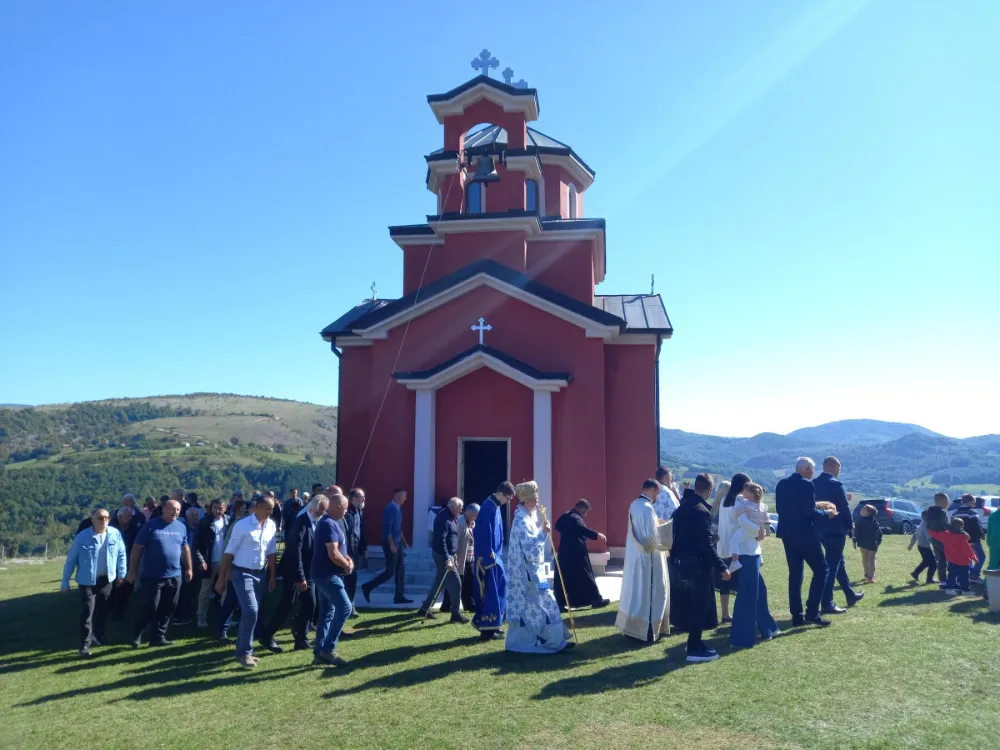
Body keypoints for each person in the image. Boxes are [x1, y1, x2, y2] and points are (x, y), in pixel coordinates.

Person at [505, 481, 572, 653]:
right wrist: (544, 533)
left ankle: (556, 639)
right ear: (527, 502)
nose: (538, 504)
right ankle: (548, 641)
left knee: (541, 607)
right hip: (528, 578)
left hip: (533, 574)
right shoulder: (522, 522)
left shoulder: (526, 518)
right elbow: (530, 551)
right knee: (545, 605)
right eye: (535, 500)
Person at [670, 474, 731, 662]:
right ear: (710, 490)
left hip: (683, 562)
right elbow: (706, 543)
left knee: (693, 604)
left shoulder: (683, 507)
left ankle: (694, 641)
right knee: (699, 606)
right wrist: (722, 566)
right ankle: (694, 647)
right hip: (698, 564)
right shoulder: (701, 511)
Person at [215, 493, 278, 668]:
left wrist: (272, 575)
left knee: (252, 613)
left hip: (261, 573)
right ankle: (244, 653)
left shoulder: (271, 525)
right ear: (256, 507)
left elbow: (271, 552)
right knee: (251, 610)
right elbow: (228, 553)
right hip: (241, 572)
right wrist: (221, 579)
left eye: (272, 509)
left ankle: (245, 650)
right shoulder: (242, 526)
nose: (269, 512)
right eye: (267, 508)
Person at [259, 495, 328, 651]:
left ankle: (301, 638)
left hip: (308, 572)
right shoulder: (301, 522)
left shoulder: (316, 521)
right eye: (321, 509)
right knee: (288, 604)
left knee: (309, 605)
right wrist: (300, 577)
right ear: (313, 507)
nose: (323, 512)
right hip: (296, 572)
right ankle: (268, 635)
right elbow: (294, 552)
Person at [775, 457, 836, 627]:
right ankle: (812, 612)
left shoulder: (782, 484)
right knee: (822, 570)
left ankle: (797, 615)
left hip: (788, 535)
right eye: (812, 469)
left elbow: (780, 510)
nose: (813, 473)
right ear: (807, 469)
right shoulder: (807, 485)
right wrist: (827, 514)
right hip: (806, 535)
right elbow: (810, 512)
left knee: (795, 575)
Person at [61, 507, 128, 657]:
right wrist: (65, 581)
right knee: (87, 611)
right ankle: (84, 645)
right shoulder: (82, 537)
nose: (103, 520)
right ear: (92, 520)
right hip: (87, 580)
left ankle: (99, 634)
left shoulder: (115, 534)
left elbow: (121, 554)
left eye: (106, 517)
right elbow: (71, 560)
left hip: (106, 579)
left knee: (103, 609)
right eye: (100, 518)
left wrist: (121, 574)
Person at [127, 498, 193, 648]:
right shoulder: (151, 526)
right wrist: (132, 571)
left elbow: (185, 548)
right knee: (149, 607)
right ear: (163, 509)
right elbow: (137, 548)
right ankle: (137, 633)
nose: (175, 512)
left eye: (177, 510)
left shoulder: (181, 526)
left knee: (168, 607)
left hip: (174, 575)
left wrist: (189, 568)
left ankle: (158, 636)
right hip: (152, 576)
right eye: (172, 509)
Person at [617, 479, 671, 643]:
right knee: (651, 592)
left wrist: (656, 524)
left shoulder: (634, 504)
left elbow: (642, 529)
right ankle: (647, 631)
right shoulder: (647, 508)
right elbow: (652, 537)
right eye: (657, 492)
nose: (657, 497)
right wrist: (666, 543)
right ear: (652, 490)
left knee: (635, 591)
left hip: (635, 555)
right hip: (649, 558)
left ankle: (630, 628)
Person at [727, 483, 780, 648]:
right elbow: (745, 524)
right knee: (748, 595)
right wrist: (760, 531)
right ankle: (744, 636)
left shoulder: (751, 505)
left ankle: (765, 629)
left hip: (752, 552)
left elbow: (757, 526)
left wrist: (761, 531)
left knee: (755, 593)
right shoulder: (739, 503)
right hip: (746, 553)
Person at [814, 457, 863, 613]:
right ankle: (827, 603)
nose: (839, 471)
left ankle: (850, 594)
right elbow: (844, 507)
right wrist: (851, 526)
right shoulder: (836, 484)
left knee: (838, 562)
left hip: (820, 529)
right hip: (836, 529)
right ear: (834, 467)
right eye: (839, 468)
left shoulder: (813, 484)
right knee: (832, 566)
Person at [311, 493, 354, 666]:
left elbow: (340, 550)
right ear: (337, 507)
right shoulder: (328, 524)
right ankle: (327, 649)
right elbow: (333, 552)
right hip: (327, 575)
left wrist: (348, 559)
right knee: (345, 608)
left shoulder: (331, 523)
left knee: (327, 614)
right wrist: (346, 565)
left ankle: (319, 652)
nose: (346, 510)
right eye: (345, 507)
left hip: (325, 574)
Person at [472, 482, 515, 640]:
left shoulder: (495, 506)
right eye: (508, 498)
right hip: (488, 558)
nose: (508, 501)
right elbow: (483, 532)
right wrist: (488, 554)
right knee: (490, 593)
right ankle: (486, 629)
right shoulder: (487, 507)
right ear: (501, 494)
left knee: (500, 589)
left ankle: (495, 624)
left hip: (496, 556)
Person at [553, 499, 610, 611]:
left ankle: (561, 604)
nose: (585, 514)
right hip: (577, 552)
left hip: (564, 552)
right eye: (585, 511)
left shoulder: (565, 516)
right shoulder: (576, 518)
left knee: (563, 578)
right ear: (581, 508)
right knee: (585, 575)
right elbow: (582, 529)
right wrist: (596, 535)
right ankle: (595, 599)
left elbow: (557, 527)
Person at [420, 497, 468, 623]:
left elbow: (451, 538)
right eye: (459, 508)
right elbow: (440, 540)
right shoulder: (443, 519)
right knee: (456, 583)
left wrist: (454, 555)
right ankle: (455, 614)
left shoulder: (452, 516)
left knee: (439, 582)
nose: (461, 510)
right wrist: (448, 558)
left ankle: (425, 608)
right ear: (452, 507)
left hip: (448, 554)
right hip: (442, 555)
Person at [361, 489, 411, 605]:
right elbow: (387, 528)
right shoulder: (390, 508)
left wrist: (404, 542)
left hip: (398, 543)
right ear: (397, 496)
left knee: (400, 569)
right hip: (391, 543)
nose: (405, 499)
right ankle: (367, 586)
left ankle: (399, 596)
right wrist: (391, 544)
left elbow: (398, 527)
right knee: (390, 571)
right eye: (404, 496)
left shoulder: (399, 509)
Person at [715, 473, 750, 623]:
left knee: (725, 582)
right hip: (737, 546)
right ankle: (740, 613)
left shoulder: (724, 500)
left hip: (723, 545)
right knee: (741, 582)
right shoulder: (740, 501)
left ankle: (725, 613)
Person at [194, 498, 229, 628]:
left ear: (225, 508)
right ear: (211, 508)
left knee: (226, 589)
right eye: (215, 508)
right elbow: (197, 545)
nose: (218, 511)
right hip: (210, 561)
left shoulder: (228, 521)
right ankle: (201, 617)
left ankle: (225, 618)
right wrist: (201, 560)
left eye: (220, 508)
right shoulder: (204, 522)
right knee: (205, 590)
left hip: (225, 560)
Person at [930, 517, 978, 595]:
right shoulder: (962, 536)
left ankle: (949, 589)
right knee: (964, 576)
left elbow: (935, 534)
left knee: (952, 575)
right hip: (963, 560)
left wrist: (929, 529)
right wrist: (973, 557)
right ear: (961, 526)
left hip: (951, 559)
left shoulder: (945, 534)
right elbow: (967, 548)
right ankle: (965, 590)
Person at [110, 505, 142, 621]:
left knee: (127, 585)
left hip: (129, 560)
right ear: (120, 517)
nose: (130, 518)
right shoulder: (112, 529)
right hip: (113, 562)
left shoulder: (134, 528)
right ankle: (114, 610)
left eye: (131, 516)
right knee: (114, 587)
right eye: (128, 516)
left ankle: (121, 607)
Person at [343, 488, 368, 617]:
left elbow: (360, 532)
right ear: (353, 499)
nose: (364, 499)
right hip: (348, 552)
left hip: (356, 551)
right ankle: (349, 607)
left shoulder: (359, 512)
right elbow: (347, 534)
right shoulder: (348, 514)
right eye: (361, 496)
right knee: (349, 580)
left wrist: (364, 547)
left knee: (352, 580)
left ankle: (350, 605)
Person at [953, 494, 986, 583]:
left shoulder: (955, 513)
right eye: (974, 501)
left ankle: (968, 575)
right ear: (970, 501)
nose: (975, 502)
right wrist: (981, 535)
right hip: (973, 540)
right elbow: (976, 527)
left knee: (967, 558)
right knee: (981, 557)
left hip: (959, 541)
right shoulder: (972, 513)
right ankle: (974, 575)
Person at [926, 493, 951, 587]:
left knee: (940, 559)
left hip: (934, 537)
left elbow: (927, 524)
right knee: (949, 558)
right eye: (947, 500)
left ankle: (942, 580)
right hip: (944, 537)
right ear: (944, 500)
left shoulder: (930, 511)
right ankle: (952, 578)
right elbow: (945, 525)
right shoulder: (943, 512)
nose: (948, 503)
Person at [854, 504, 883, 583]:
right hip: (869, 543)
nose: (861, 510)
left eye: (863, 509)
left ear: (868, 513)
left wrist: (855, 541)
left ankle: (869, 575)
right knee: (868, 559)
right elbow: (856, 532)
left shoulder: (861, 521)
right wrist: (879, 541)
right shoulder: (874, 522)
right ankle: (868, 575)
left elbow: (856, 532)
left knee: (868, 559)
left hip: (869, 543)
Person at [908, 510, 937, 585]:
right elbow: (929, 537)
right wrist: (936, 545)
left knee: (926, 561)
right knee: (933, 564)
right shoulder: (925, 524)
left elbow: (915, 534)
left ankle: (915, 573)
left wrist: (911, 544)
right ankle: (929, 579)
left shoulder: (922, 523)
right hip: (924, 547)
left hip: (921, 546)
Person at [988, 507, 1000, 572]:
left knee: (993, 564)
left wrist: (989, 542)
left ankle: (987, 581)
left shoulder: (993, 515)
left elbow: (989, 530)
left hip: (993, 542)